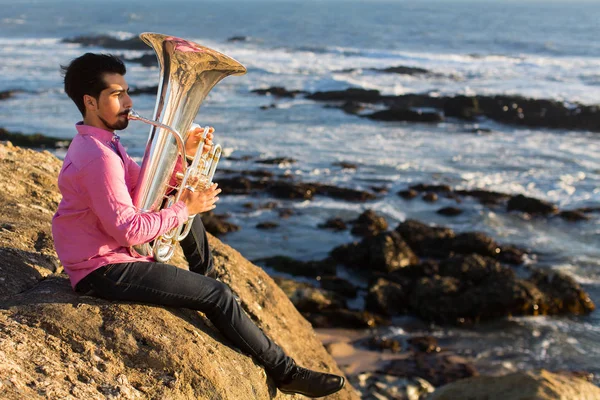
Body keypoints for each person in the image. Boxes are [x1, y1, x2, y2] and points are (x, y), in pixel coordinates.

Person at [51, 53, 345, 398]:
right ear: (90, 101)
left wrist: (185, 158)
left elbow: (145, 185)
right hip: (102, 269)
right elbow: (128, 230)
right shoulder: (97, 157)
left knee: (190, 218)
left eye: (127, 91)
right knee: (217, 295)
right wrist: (181, 208)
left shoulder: (104, 143)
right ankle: (286, 372)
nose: (129, 102)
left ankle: (204, 281)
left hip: (111, 255)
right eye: (117, 94)